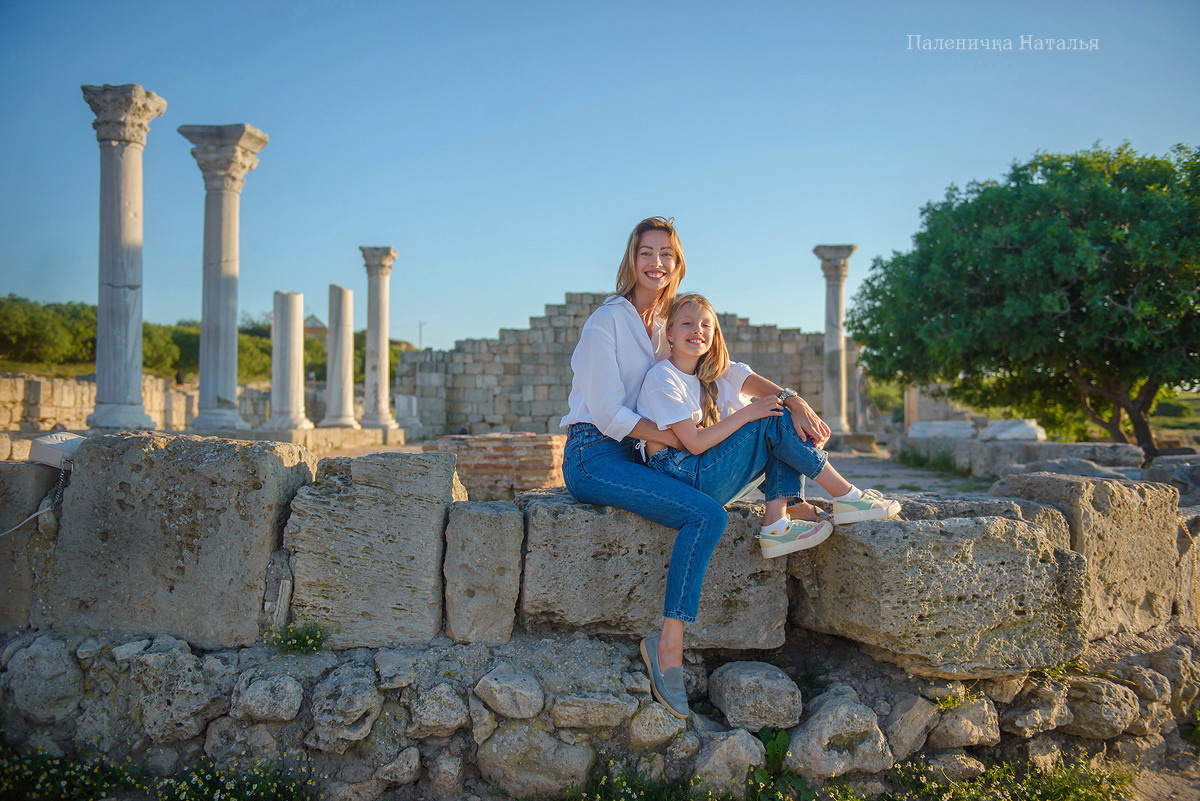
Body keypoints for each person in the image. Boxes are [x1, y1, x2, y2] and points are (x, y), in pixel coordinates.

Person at [636, 293, 901, 557]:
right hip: (678, 476)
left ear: (715, 333)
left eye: (706, 325)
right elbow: (694, 443)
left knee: (776, 414)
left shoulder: (718, 372)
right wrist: (749, 412)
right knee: (768, 418)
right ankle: (846, 496)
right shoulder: (663, 376)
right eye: (687, 323)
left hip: (702, 472)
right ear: (669, 332)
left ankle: (778, 523)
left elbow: (774, 396)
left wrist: (797, 405)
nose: (698, 330)